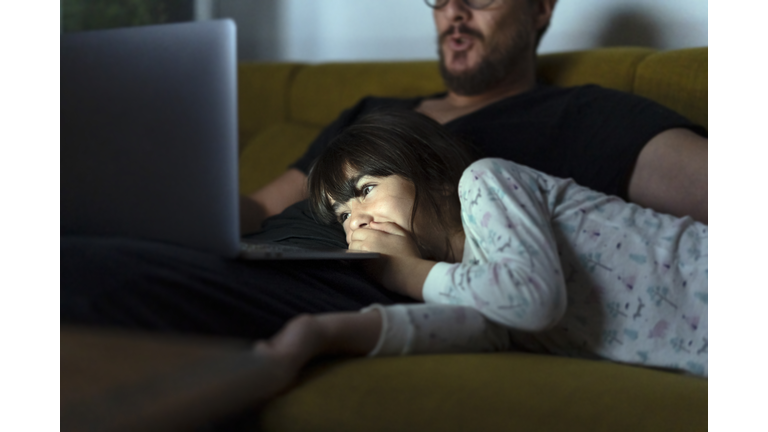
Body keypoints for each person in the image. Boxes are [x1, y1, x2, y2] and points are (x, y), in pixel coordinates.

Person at [61, 0, 707, 339]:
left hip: (366, 287)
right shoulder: (372, 113)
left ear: (540, 7)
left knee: (76, 279)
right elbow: (257, 211)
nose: (454, 11)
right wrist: (152, 191)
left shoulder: (581, 112)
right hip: (268, 255)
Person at [254, 110, 708, 386]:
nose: (355, 217)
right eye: (341, 215)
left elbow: (530, 299)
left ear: (430, 173)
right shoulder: (470, 282)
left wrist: (401, 271)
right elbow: (468, 328)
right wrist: (319, 333)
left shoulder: (484, 182)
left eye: (367, 188)